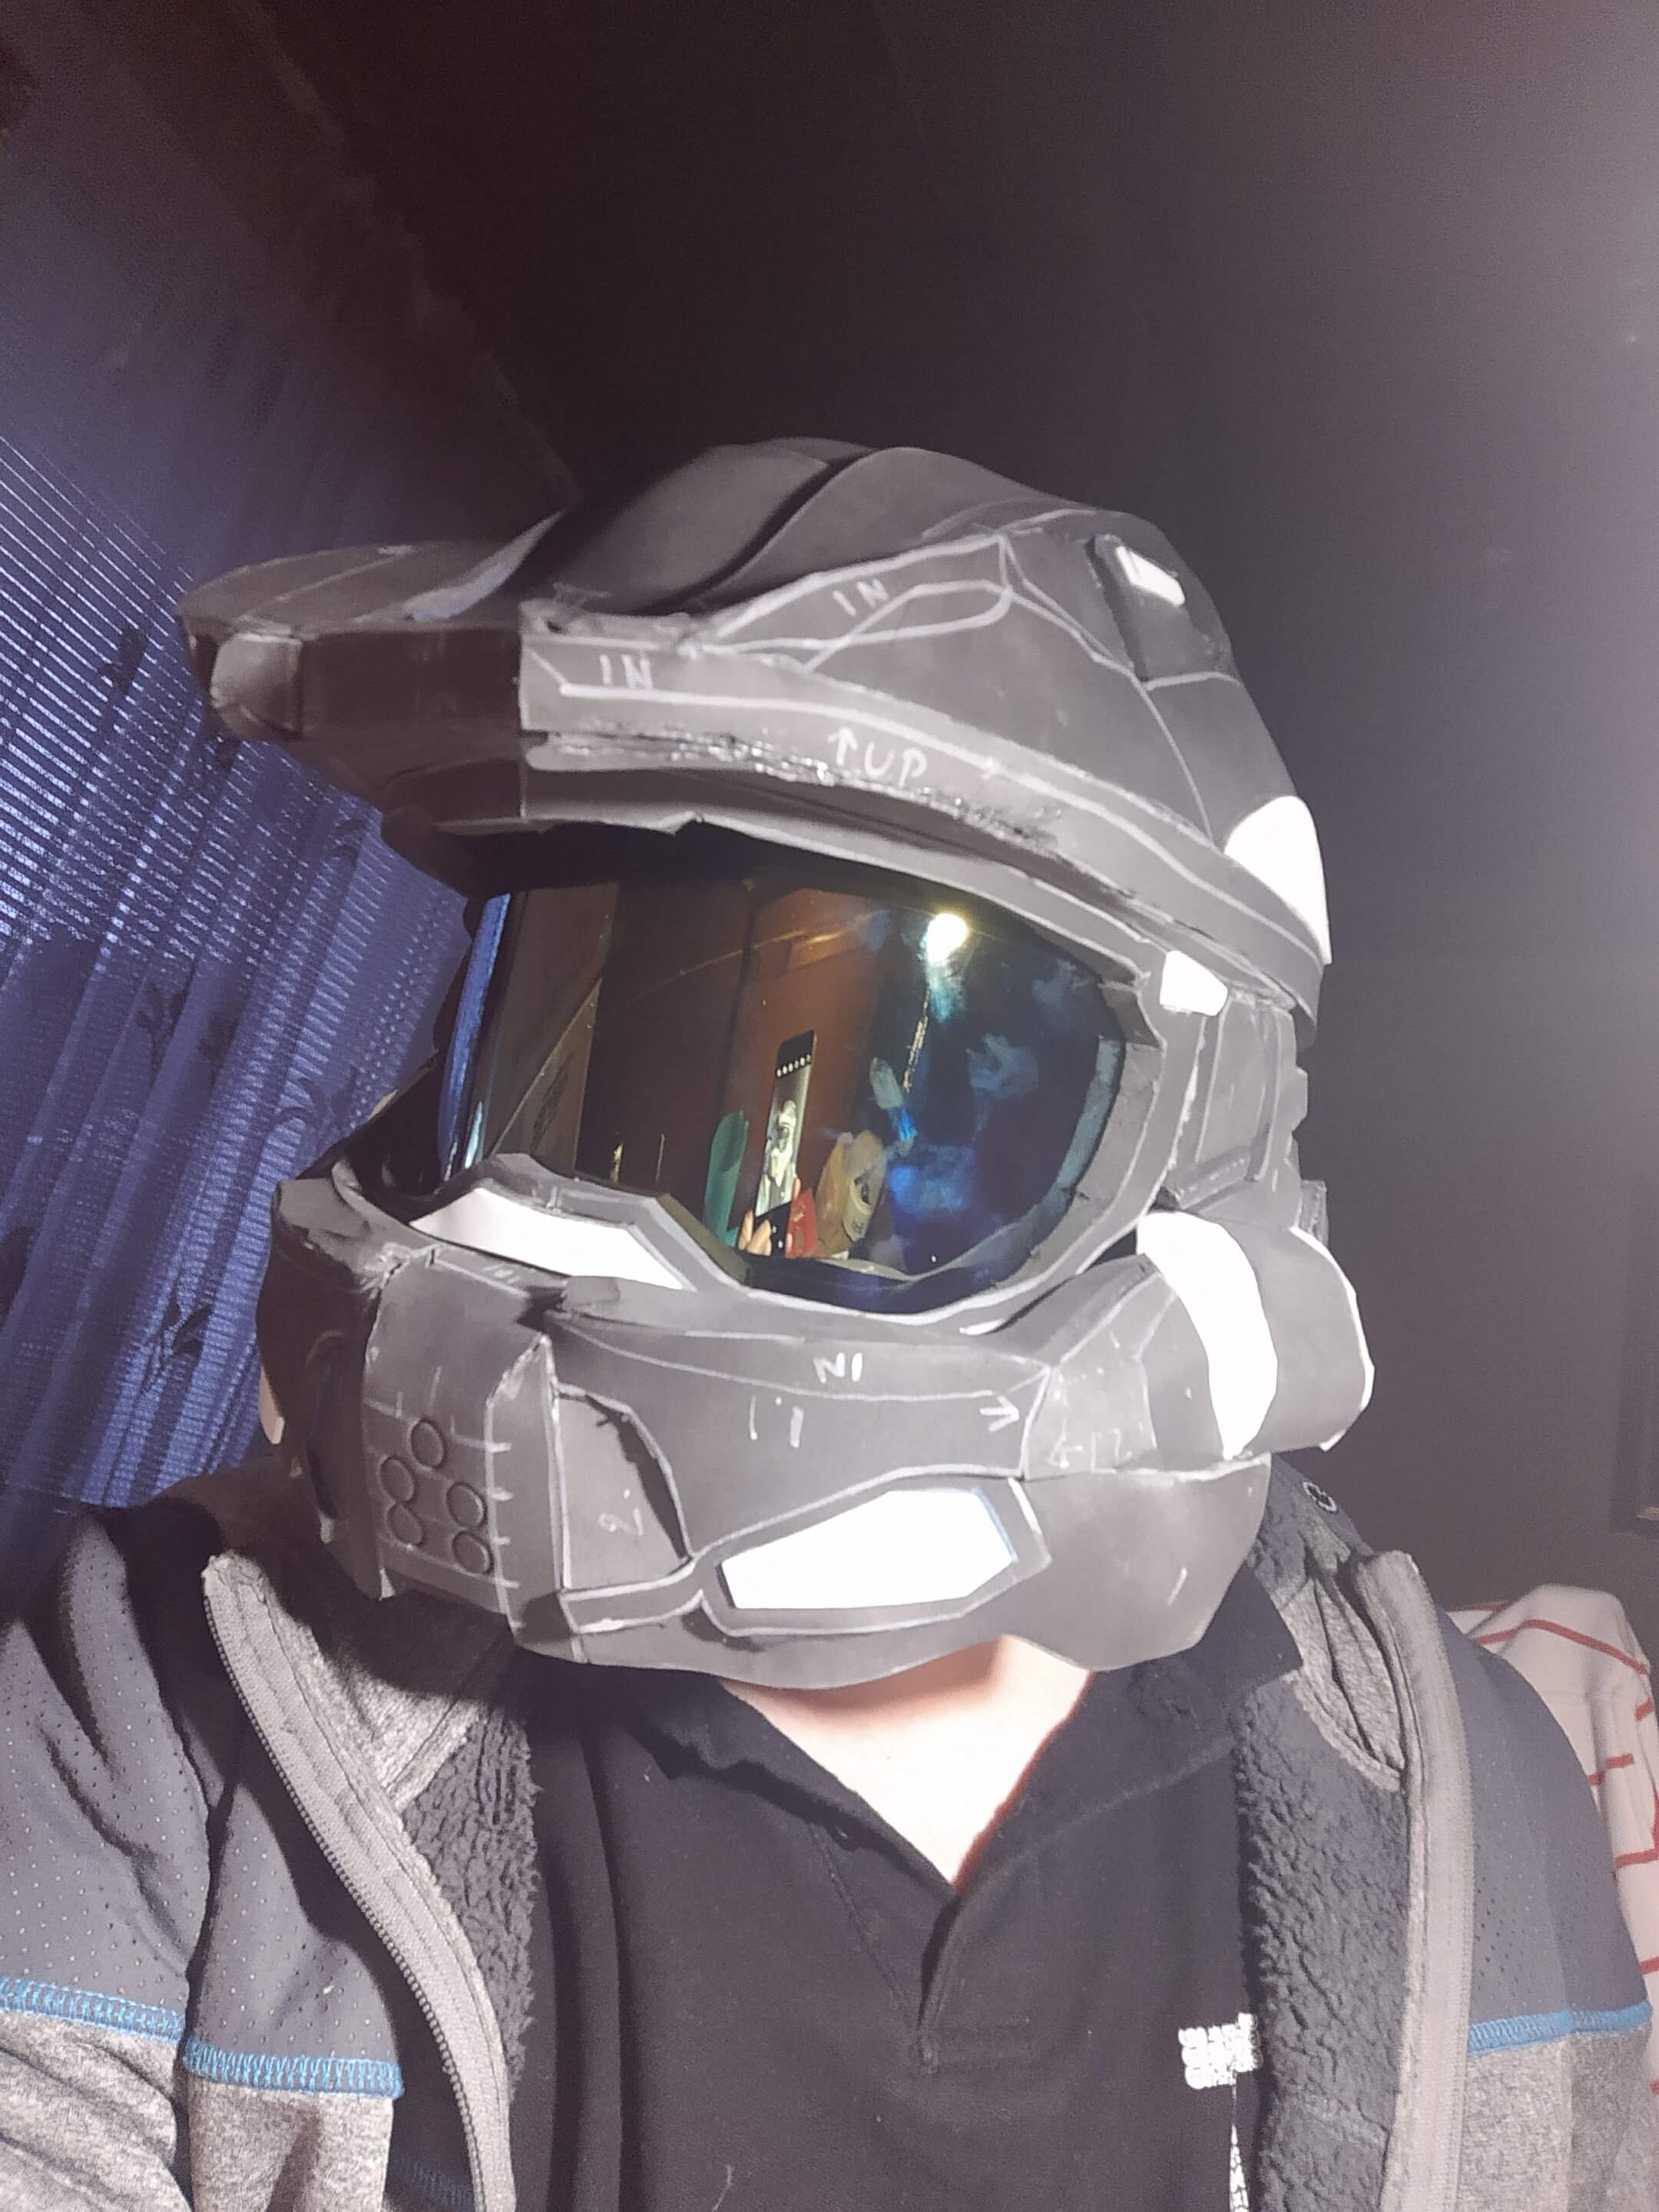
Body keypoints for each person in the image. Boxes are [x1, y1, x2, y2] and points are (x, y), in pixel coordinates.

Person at [0, 442, 1652, 2211]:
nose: (553, 1224)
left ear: (1193, 1141)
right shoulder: (162, 1694)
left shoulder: (1457, 1809)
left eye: (864, 1126)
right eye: (568, 1067)